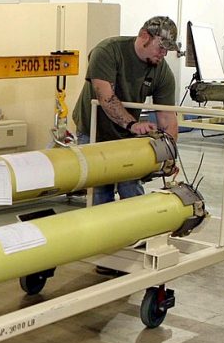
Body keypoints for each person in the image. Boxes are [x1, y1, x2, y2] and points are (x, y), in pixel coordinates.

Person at [73, 15, 180, 206]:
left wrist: (169, 154)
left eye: (167, 50)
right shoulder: (107, 51)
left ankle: (135, 234)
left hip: (128, 136)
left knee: (132, 191)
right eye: (161, 47)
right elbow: (106, 98)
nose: (163, 54)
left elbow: (167, 117)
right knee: (100, 193)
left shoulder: (162, 71)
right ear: (144, 36)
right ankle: (103, 234)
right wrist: (133, 124)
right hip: (94, 132)